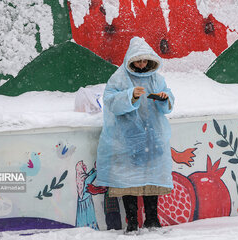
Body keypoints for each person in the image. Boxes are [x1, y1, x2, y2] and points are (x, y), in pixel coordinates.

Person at [96, 36, 175, 233]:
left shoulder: (156, 78)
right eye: (137, 61)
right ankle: (131, 222)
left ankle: (152, 219)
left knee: (151, 178)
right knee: (128, 181)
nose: (141, 64)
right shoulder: (119, 78)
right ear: (130, 60)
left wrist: (165, 98)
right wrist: (129, 95)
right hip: (127, 139)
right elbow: (110, 101)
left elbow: (168, 101)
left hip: (152, 136)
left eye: (144, 60)